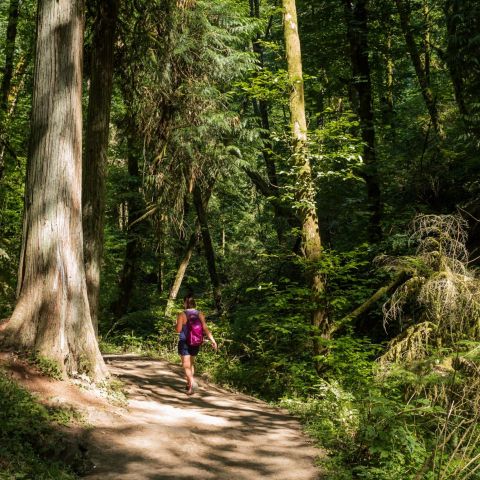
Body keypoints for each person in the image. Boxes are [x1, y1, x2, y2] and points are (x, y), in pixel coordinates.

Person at [176, 294, 217, 395]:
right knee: (191, 364)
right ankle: (188, 384)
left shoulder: (182, 314)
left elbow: (178, 330)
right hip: (196, 342)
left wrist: (176, 324)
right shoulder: (200, 314)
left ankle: (192, 384)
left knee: (186, 365)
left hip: (185, 342)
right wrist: (213, 340)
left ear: (185, 303)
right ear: (194, 303)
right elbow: (205, 328)